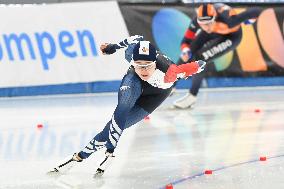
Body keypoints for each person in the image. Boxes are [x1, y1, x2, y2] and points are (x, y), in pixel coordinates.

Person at [47, 35, 206, 177]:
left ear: (155, 63)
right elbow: (134, 38)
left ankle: (79, 157)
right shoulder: (131, 55)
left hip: (156, 95)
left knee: (110, 129)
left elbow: (195, 66)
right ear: (132, 61)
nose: (143, 69)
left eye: (147, 65)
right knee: (122, 107)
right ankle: (79, 157)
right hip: (134, 81)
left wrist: (199, 64)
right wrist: (112, 48)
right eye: (139, 64)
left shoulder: (170, 72)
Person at [173, 3, 262, 109]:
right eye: (203, 24)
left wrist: (250, 20)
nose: (206, 26)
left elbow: (257, 10)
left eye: (209, 23)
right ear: (198, 21)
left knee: (200, 58)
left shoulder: (229, 21)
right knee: (189, 52)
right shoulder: (197, 22)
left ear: (215, 18)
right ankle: (171, 84)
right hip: (214, 31)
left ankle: (192, 96)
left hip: (231, 36)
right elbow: (186, 41)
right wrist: (185, 50)